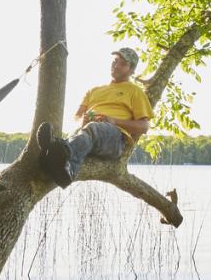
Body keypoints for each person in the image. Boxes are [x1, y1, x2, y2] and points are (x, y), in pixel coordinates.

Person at [35, 48, 152, 187]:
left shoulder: (135, 91)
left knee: (92, 129)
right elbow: (76, 117)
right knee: (86, 131)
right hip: (86, 133)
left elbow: (144, 127)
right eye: (115, 61)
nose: (116, 65)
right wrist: (81, 120)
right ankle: (64, 170)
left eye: (122, 63)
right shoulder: (94, 91)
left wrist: (114, 120)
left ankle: (57, 151)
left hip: (115, 138)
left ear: (132, 69)